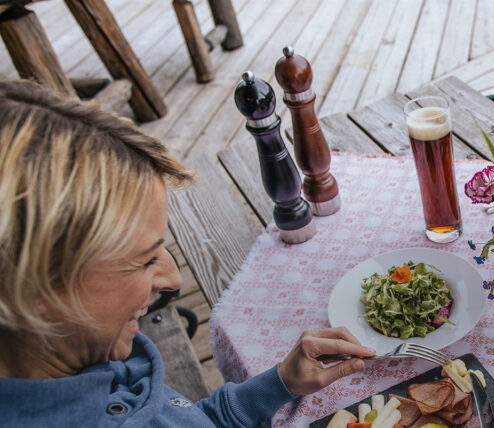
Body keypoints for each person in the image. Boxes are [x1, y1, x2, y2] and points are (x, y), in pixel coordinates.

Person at [0, 80, 376, 426]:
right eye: (145, 260)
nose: (172, 280)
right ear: (33, 291)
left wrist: (279, 384)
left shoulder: (90, 355)